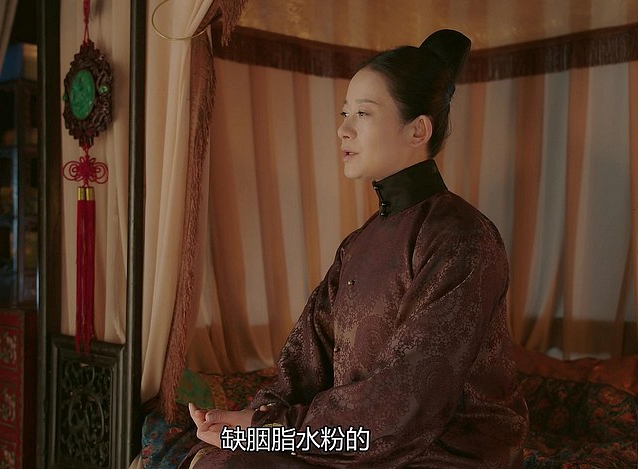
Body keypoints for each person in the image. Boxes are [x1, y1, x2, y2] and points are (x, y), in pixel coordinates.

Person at [181, 29, 528, 468]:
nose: (343, 129)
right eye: (345, 113)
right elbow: (306, 359)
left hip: (441, 453)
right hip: (358, 441)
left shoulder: (462, 237)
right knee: (216, 460)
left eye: (363, 113)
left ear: (418, 129)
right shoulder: (357, 244)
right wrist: (254, 423)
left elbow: (409, 397)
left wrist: (268, 430)